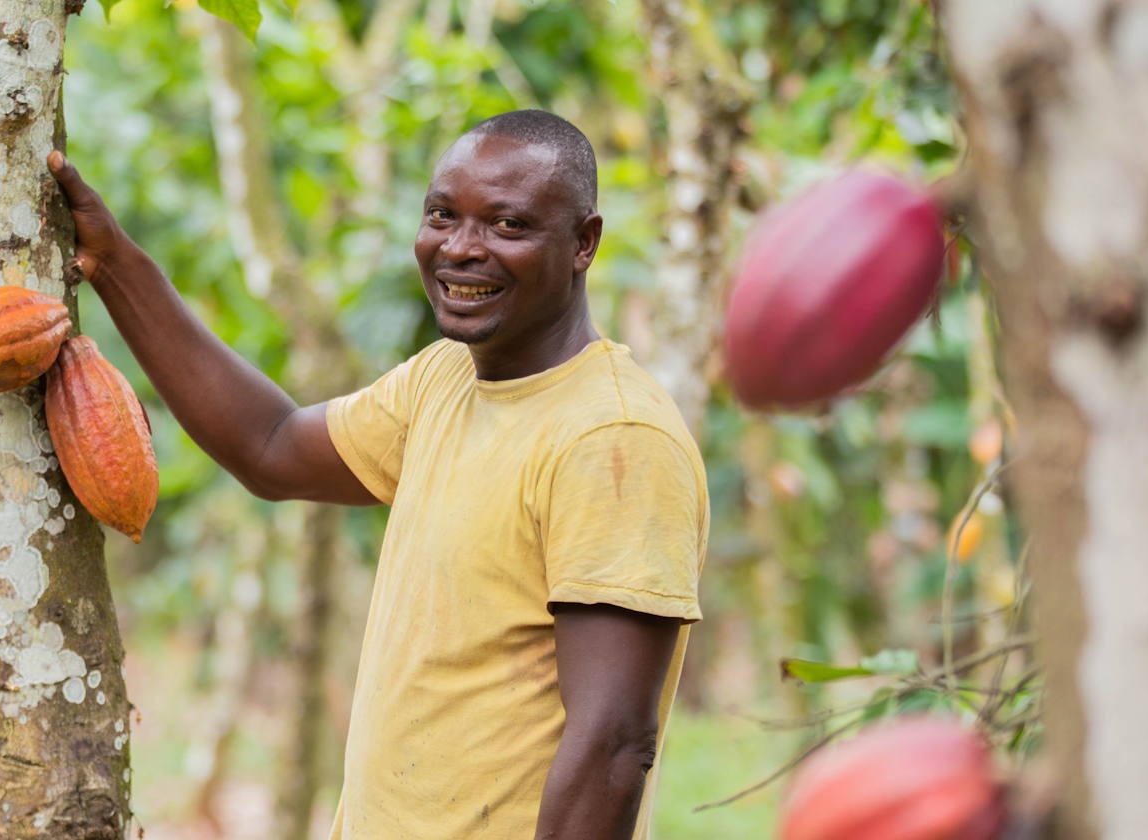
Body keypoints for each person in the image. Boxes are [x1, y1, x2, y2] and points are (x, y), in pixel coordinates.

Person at [48, 109, 708, 840]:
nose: (460, 249)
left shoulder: (613, 438)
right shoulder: (444, 378)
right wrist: (113, 265)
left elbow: (613, 747)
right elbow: (269, 446)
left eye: (507, 225)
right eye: (441, 215)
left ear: (583, 243)